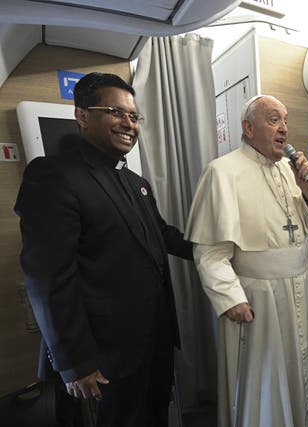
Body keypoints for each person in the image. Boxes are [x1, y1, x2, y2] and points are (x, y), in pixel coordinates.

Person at [14, 72, 193, 427]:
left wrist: (212, 251)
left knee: (154, 414)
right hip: (104, 351)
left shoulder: (134, 182)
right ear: (82, 115)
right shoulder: (53, 175)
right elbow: (48, 278)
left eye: (133, 116)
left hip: (153, 337)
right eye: (116, 112)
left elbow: (160, 234)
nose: (129, 124)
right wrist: (74, 362)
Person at [185, 95, 308, 427]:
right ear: (248, 128)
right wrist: (231, 298)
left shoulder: (290, 171)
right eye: (273, 120)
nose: (284, 129)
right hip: (258, 298)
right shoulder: (222, 172)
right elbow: (209, 252)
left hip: (301, 288)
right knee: (263, 381)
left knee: (299, 370)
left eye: (286, 120)